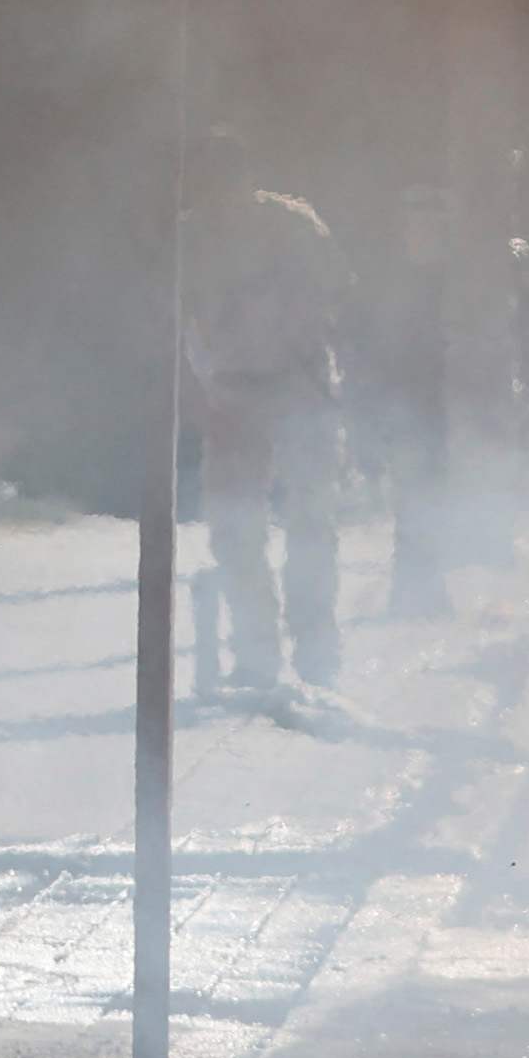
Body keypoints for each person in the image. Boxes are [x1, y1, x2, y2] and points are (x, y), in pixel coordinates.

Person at [181, 135, 350, 700]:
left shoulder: (295, 226)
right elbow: (175, 317)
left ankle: (316, 649)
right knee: (234, 530)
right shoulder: (190, 236)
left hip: (297, 386)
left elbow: (333, 298)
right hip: (232, 392)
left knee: (309, 522)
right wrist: (200, 388)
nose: (217, 195)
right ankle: (256, 654)